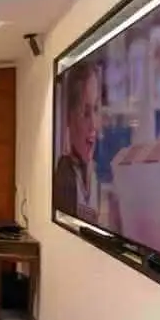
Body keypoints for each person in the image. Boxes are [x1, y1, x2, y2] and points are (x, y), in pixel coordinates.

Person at [54, 61, 102, 223]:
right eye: (85, 113)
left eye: (96, 109)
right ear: (70, 118)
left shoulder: (95, 176)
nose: (94, 125)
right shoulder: (64, 174)